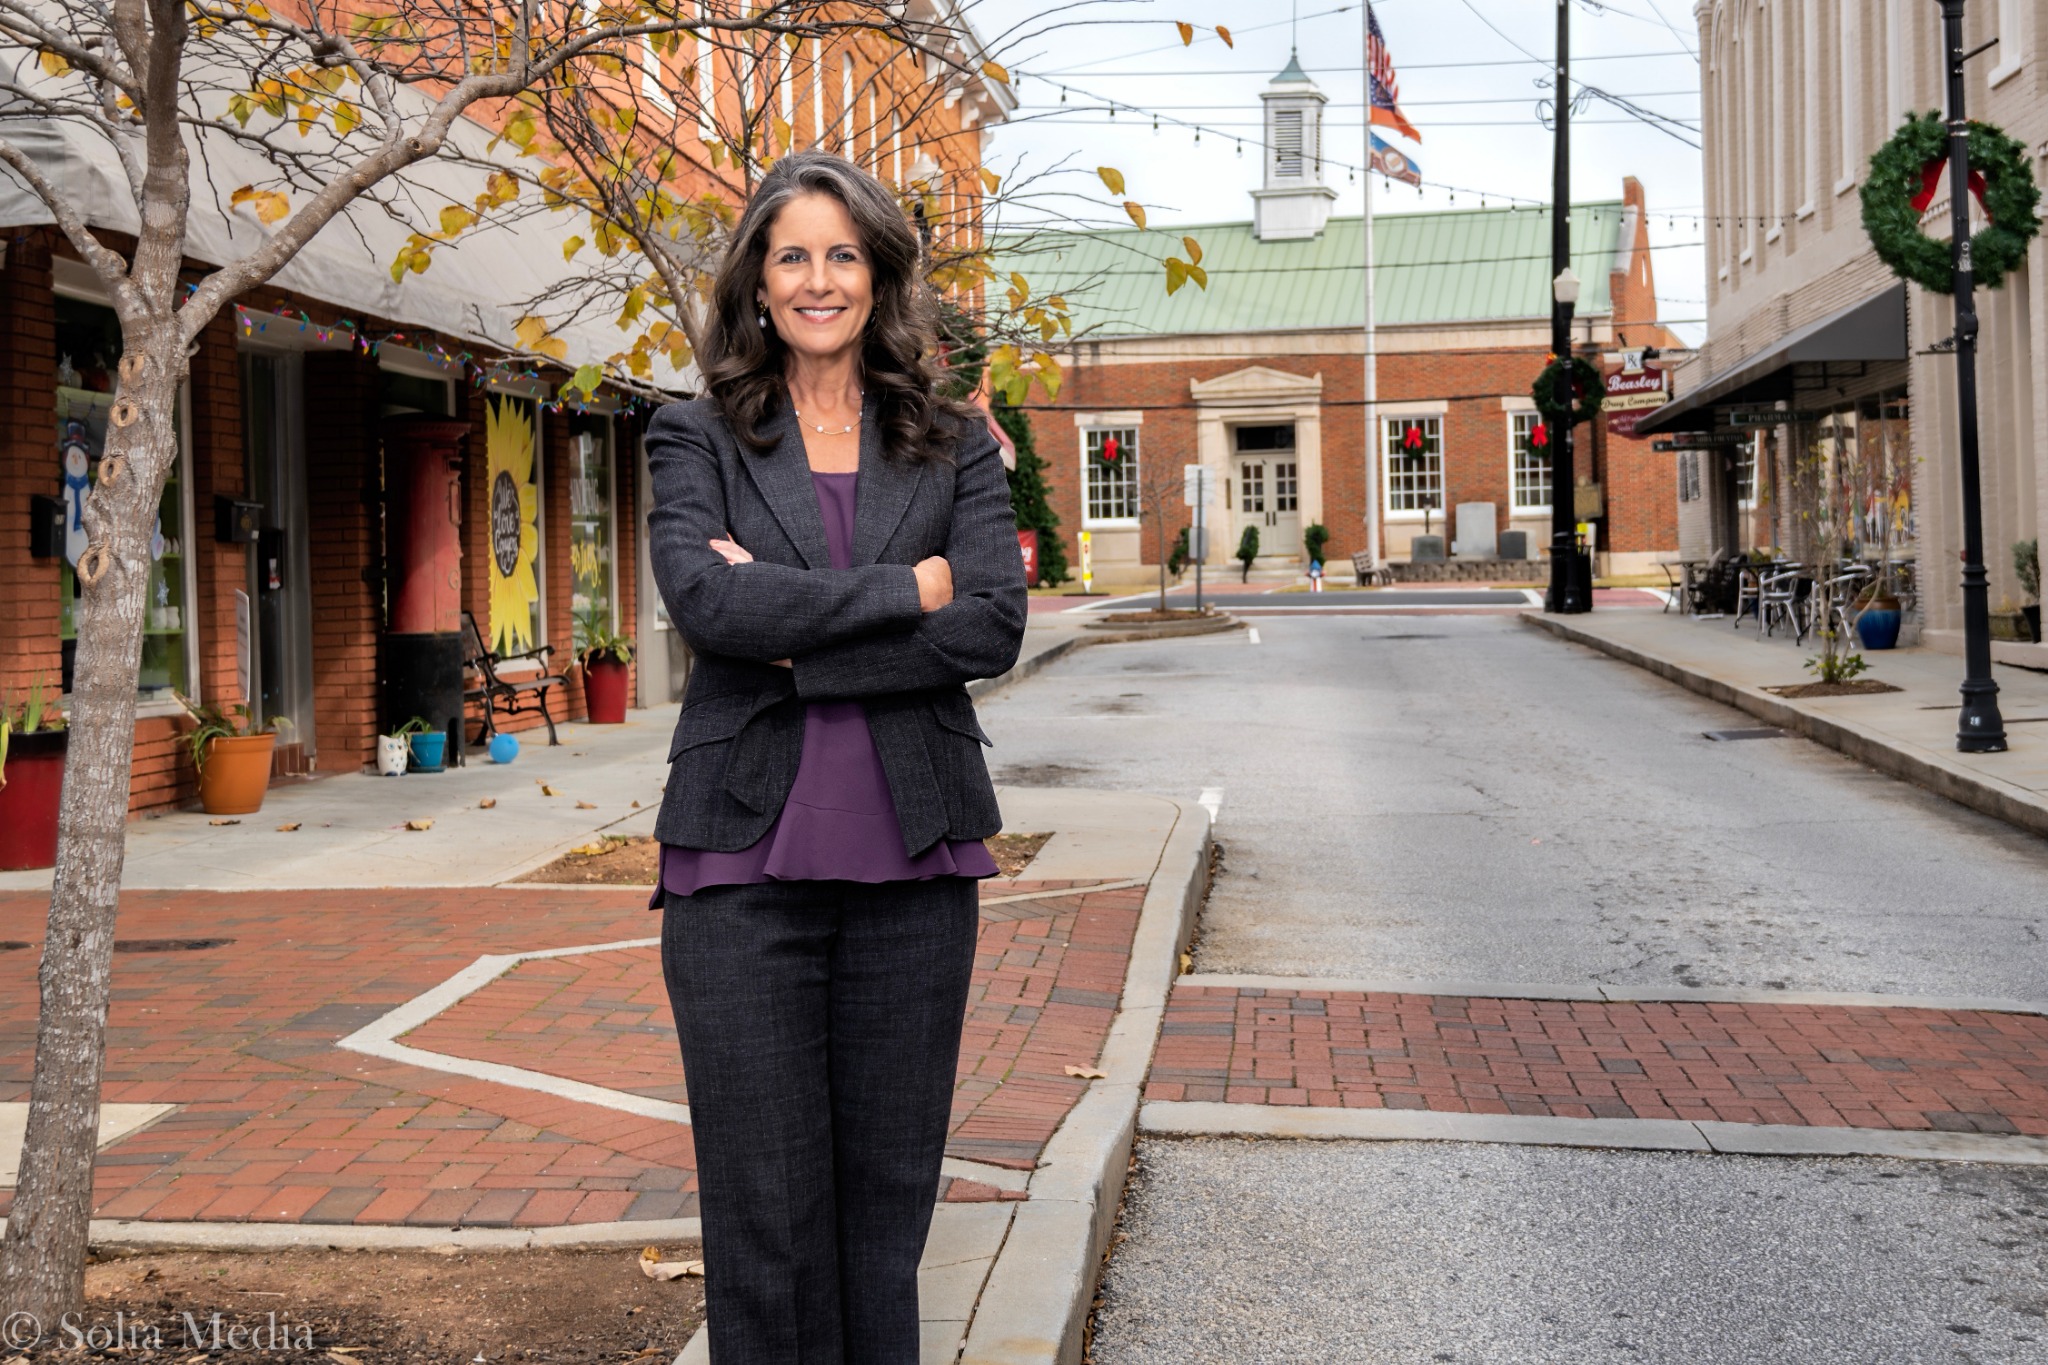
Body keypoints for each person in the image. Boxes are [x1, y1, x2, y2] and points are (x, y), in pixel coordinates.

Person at [642, 150, 1027, 1364]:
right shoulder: (692, 433)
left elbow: (991, 623)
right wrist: (903, 591)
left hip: (913, 860)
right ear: (757, 278)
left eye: (842, 254)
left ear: (880, 273)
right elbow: (710, 611)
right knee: (763, 1219)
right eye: (792, 254)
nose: (818, 279)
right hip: (739, 870)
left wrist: (802, 642)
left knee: (884, 1215)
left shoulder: (950, 440)